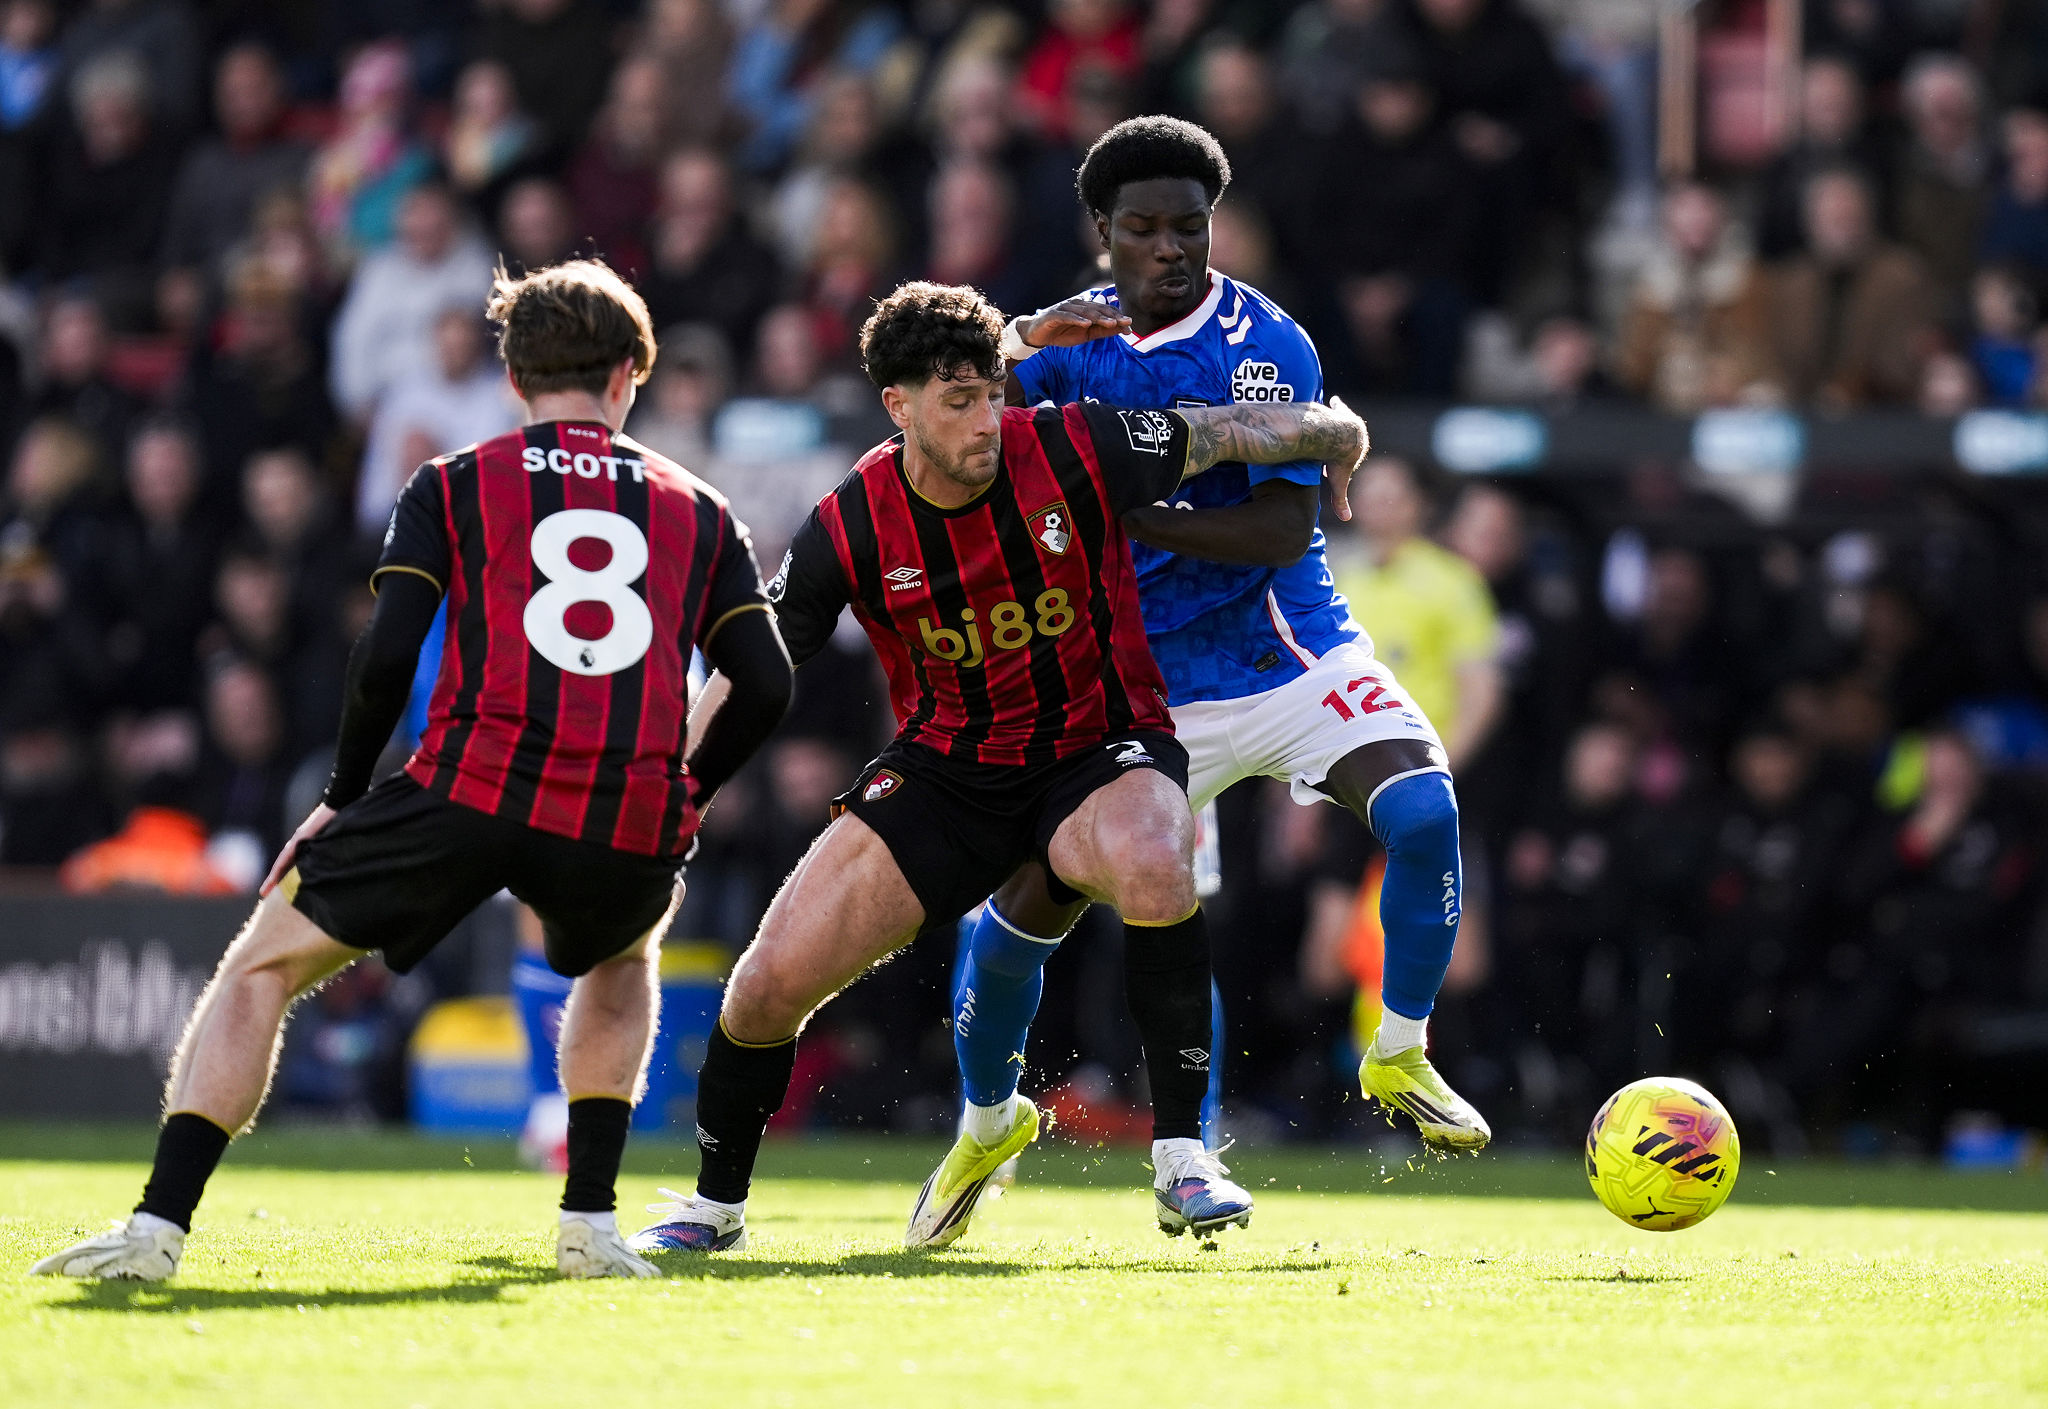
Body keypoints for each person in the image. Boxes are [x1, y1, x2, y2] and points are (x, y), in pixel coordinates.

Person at [30, 259, 793, 1283]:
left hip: (470, 782)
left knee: (259, 967)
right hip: (622, 805)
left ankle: (157, 1227)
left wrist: (341, 795)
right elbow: (766, 679)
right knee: (620, 962)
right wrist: (684, 791)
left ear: (513, 377)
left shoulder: (453, 480)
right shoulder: (698, 505)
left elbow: (385, 654)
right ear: (626, 377)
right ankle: (588, 1223)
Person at [626, 279, 1367, 1256]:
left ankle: (1183, 1156)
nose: (986, 420)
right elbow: (756, 666)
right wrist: (673, 791)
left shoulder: (1074, 442)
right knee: (763, 986)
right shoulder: (851, 521)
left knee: (1158, 855)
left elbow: (1228, 428)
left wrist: (1336, 430)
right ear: (898, 407)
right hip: (948, 773)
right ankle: (713, 1207)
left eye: (991, 394)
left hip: (1098, 750)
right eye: (958, 401)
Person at [915, 117, 1488, 1253]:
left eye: (1190, 226)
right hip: (1134, 688)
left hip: (1283, 652)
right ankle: (984, 1122)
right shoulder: (1061, 347)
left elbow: (1278, 529)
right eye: (1144, 228)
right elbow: (940, 432)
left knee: (1424, 809)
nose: (1170, 248)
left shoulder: (1264, 343)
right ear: (1103, 230)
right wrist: (1017, 340)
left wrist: (1122, 510)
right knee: (1035, 911)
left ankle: (1388, 1055)